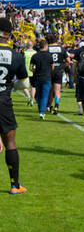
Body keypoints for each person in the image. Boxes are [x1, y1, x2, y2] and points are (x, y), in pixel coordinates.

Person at [0, 17, 29, 194]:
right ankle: (14, 185)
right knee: (10, 142)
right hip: (3, 101)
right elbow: (24, 84)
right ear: (9, 34)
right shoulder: (17, 56)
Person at [46, 34, 70, 114]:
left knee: (50, 90)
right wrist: (62, 66)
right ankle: (56, 105)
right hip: (58, 71)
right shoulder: (61, 48)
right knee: (57, 91)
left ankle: (50, 106)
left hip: (49, 71)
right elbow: (68, 61)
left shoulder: (47, 48)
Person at [30, 40, 54, 119]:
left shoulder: (35, 55)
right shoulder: (49, 56)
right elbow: (52, 67)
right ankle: (41, 112)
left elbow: (30, 68)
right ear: (46, 46)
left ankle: (40, 110)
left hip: (37, 77)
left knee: (39, 95)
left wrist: (36, 71)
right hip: (46, 77)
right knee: (44, 95)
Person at [23, 41, 36, 106]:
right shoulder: (35, 52)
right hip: (33, 71)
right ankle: (32, 99)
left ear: (27, 46)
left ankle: (28, 96)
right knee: (33, 86)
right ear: (32, 45)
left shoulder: (24, 53)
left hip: (25, 71)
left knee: (23, 86)